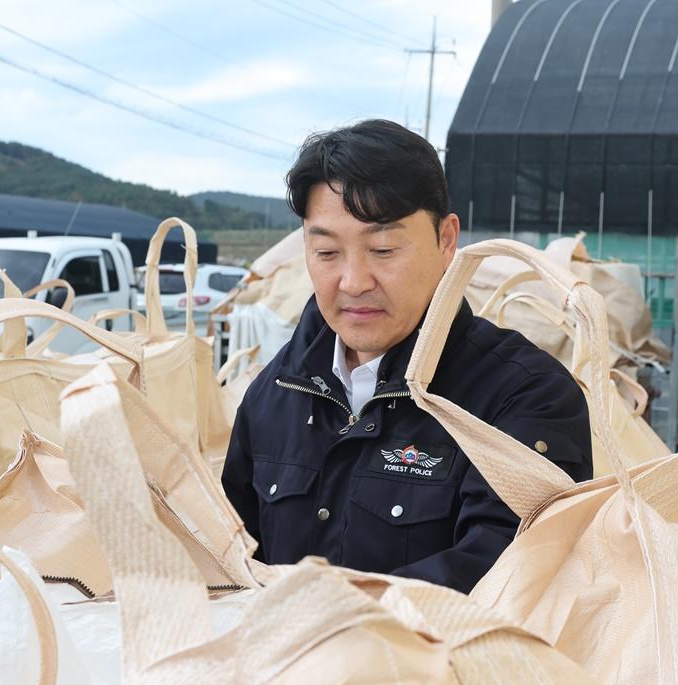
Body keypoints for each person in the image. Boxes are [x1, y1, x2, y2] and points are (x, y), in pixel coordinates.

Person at [222, 119, 592, 593]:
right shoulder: (276, 392)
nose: (353, 281)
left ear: (446, 240)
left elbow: (510, 576)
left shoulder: (525, 397)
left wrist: (324, 616)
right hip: (280, 662)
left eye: (383, 248)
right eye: (327, 252)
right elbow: (233, 556)